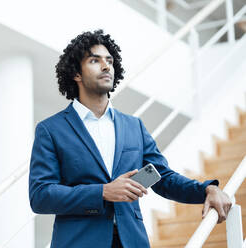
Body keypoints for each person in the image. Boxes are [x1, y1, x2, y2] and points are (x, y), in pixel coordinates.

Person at [28, 29, 231, 248]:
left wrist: (207, 189)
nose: (106, 66)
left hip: (132, 241)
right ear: (76, 73)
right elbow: (41, 195)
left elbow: (162, 177)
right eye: (95, 60)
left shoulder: (134, 126)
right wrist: (103, 192)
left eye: (110, 60)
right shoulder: (51, 129)